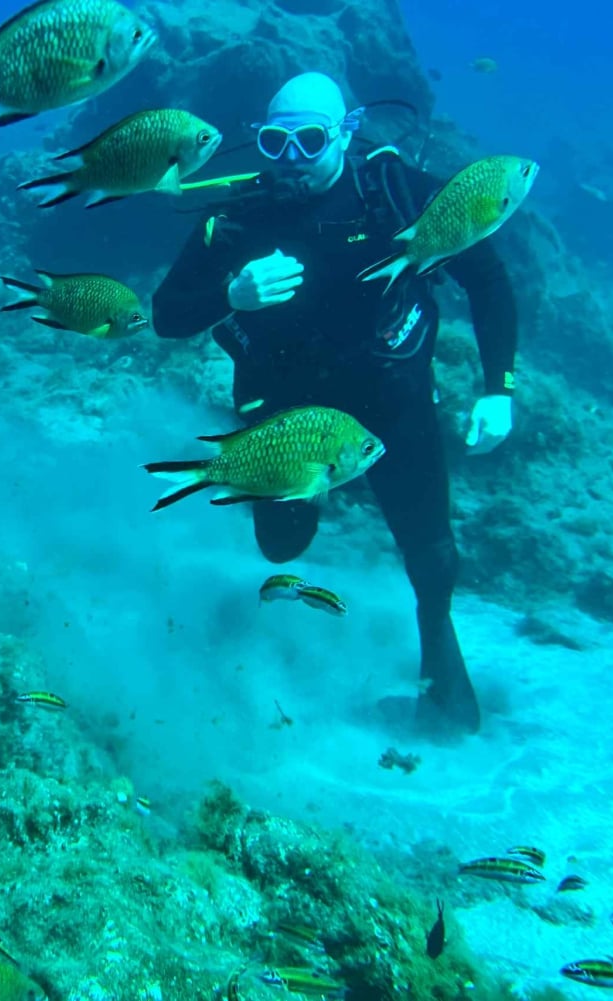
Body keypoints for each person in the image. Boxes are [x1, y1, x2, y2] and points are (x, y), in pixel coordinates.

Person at [151, 72, 518, 736]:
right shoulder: (237, 220)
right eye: (273, 143)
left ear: (346, 131)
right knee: (280, 547)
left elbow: (488, 277)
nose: (289, 162)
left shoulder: (395, 193)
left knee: (431, 551)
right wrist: (229, 295)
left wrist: (499, 388)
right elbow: (167, 314)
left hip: (391, 395)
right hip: (287, 411)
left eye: (310, 141)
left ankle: (443, 684)